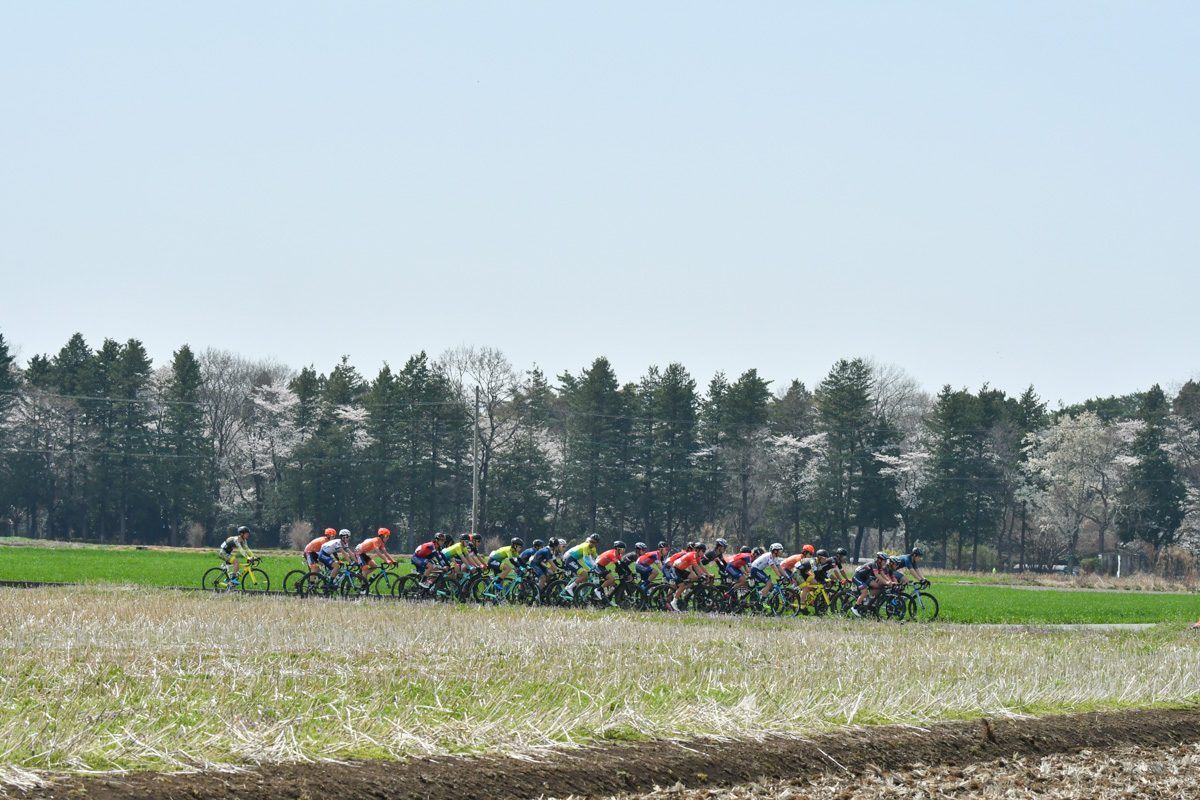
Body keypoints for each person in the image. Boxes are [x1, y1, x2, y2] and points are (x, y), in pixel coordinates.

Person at [665, 542, 710, 611]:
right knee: (682, 586)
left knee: (694, 578)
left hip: (681, 570)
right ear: (697, 550)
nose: (704, 553)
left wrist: (708, 575)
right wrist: (702, 575)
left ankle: (684, 591)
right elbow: (696, 567)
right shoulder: (692, 555)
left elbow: (701, 566)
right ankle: (673, 602)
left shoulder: (697, 557)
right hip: (675, 569)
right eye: (703, 551)